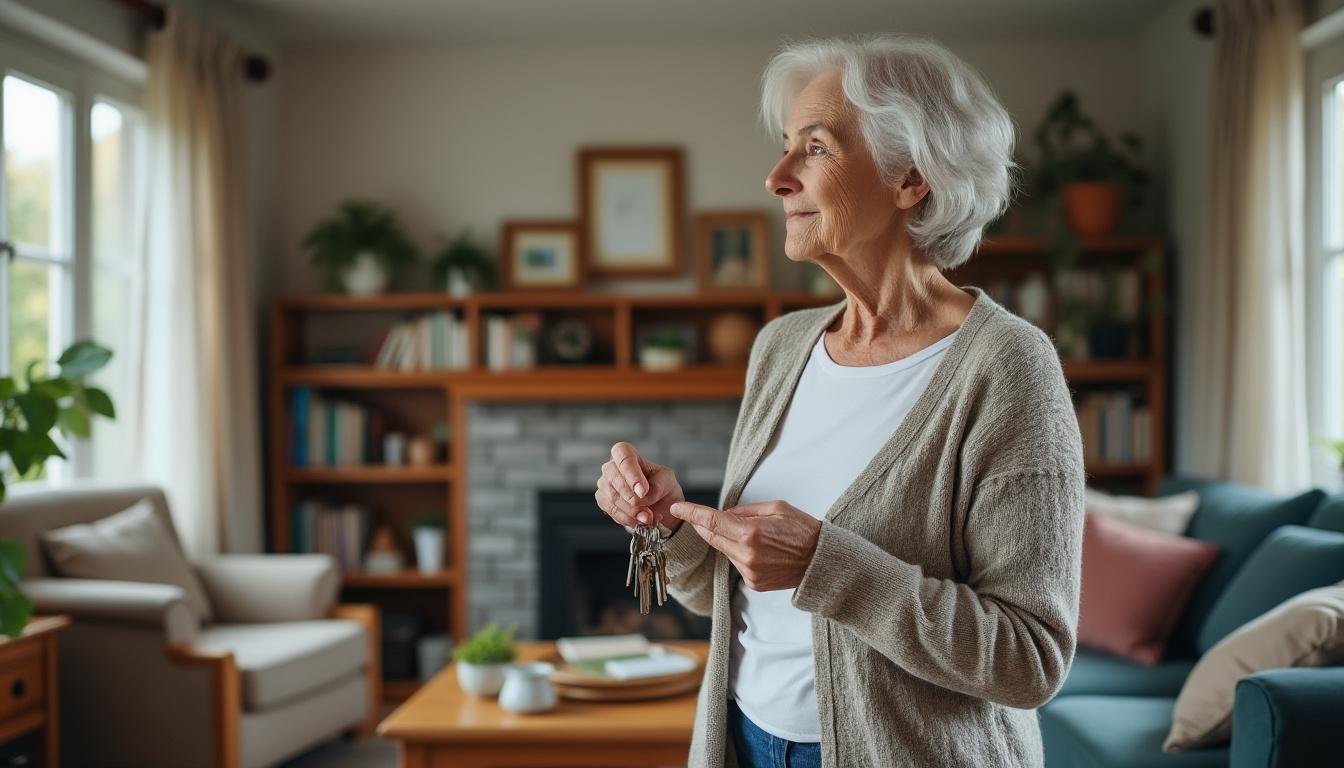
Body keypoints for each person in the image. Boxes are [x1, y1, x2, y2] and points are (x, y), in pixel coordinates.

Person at [595, 34, 1084, 768]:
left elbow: (1028, 660)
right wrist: (674, 525)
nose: (776, 177)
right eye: (785, 146)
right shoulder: (783, 346)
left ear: (911, 177)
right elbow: (733, 597)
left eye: (815, 148)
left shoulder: (1008, 366)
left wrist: (830, 564)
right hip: (743, 741)